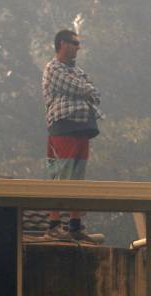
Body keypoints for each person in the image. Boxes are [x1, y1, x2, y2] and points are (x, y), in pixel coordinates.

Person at [42, 29, 102, 243]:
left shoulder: (78, 71)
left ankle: (75, 226)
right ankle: (54, 225)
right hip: (63, 128)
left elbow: (95, 92)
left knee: (78, 180)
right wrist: (85, 89)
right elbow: (77, 88)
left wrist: (85, 89)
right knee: (62, 176)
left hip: (82, 129)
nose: (78, 47)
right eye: (74, 43)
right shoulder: (53, 68)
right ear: (62, 44)